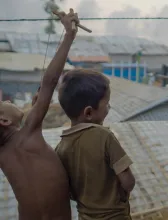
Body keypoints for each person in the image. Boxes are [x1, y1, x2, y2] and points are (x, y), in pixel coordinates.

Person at [0, 8, 79, 220]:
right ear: (5, 120)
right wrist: (69, 36)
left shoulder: (4, 154)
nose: (8, 100)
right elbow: (50, 82)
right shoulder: (29, 131)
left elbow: (21, 118)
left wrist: (32, 109)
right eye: (5, 102)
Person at [55, 69, 135, 220]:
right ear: (89, 113)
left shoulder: (61, 148)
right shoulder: (104, 136)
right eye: (107, 104)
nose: (109, 108)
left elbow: (69, 191)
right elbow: (128, 181)